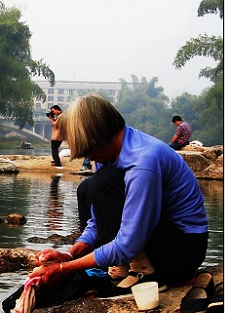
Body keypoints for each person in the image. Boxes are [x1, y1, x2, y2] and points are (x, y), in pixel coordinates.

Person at [29, 93, 208, 295]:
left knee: (98, 184)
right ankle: (125, 265)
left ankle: (146, 270)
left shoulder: (144, 162)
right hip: (160, 240)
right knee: (87, 188)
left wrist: (63, 270)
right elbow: (97, 223)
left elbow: (128, 242)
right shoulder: (108, 155)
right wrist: (69, 256)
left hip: (182, 251)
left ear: (98, 139)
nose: (88, 157)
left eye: (88, 151)